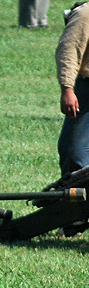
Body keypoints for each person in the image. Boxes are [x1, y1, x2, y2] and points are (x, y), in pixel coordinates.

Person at [57, 2, 89, 177]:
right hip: (87, 88)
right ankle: (76, 197)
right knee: (74, 151)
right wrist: (67, 89)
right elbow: (69, 51)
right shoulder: (86, 14)